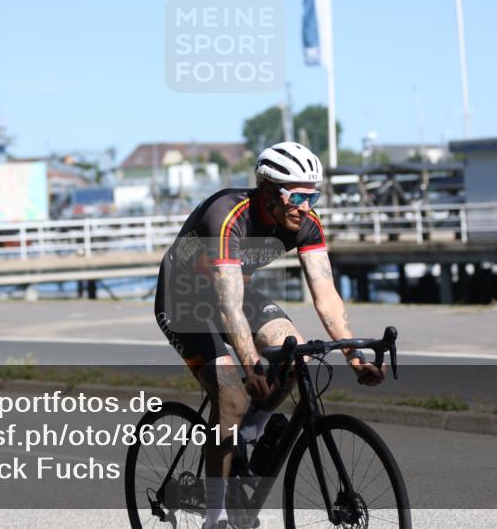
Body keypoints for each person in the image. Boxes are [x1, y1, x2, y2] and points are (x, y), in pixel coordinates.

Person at [154, 142, 385, 529]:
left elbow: (326, 297)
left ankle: (242, 438)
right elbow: (227, 307)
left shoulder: (305, 222)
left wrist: (353, 355)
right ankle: (217, 517)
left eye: (313, 195)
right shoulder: (226, 216)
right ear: (266, 188)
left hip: (235, 293)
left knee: (299, 356)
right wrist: (250, 366)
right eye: (296, 195)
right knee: (230, 394)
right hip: (183, 302)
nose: (305, 205)